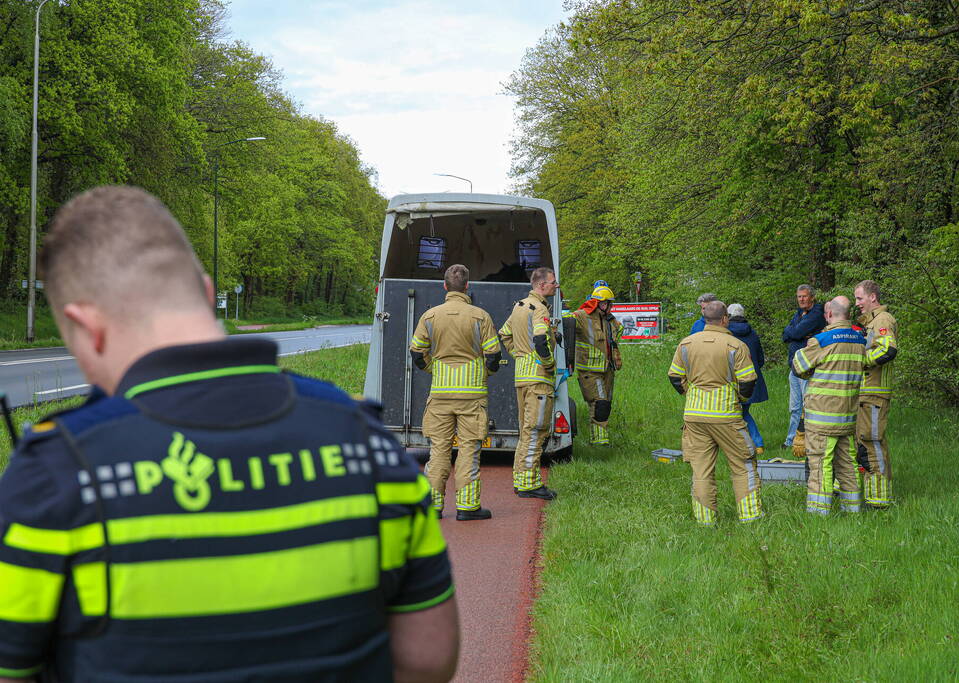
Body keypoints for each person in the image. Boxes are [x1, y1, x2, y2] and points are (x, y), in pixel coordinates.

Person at [0, 186, 458, 682]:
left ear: (85, 327)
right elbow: (428, 661)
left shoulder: (56, 472)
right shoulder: (367, 442)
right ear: (204, 289)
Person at [409, 264, 502, 521]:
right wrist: (483, 372)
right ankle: (468, 507)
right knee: (469, 450)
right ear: (468, 286)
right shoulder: (480, 316)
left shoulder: (430, 317)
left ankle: (432, 506)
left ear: (445, 286)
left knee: (438, 450)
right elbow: (494, 356)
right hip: (472, 396)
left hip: (439, 395)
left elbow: (416, 352)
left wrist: (433, 368)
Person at [668, 301, 763, 525]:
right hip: (727, 416)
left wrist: (690, 393)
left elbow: (674, 376)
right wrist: (739, 399)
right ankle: (751, 516)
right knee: (743, 465)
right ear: (725, 319)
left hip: (694, 415)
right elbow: (748, 381)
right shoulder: (736, 345)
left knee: (701, 470)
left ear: (705, 319)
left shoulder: (686, 343)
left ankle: (705, 521)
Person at [792, 296, 866, 515]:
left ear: (830, 314)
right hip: (848, 417)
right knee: (848, 465)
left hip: (822, 418)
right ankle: (853, 509)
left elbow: (798, 366)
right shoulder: (860, 341)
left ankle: (818, 512)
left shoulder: (822, 340)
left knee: (820, 465)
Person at [498, 267, 559, 499]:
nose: (555, 285)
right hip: (538, 380)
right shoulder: (540, 309)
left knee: (526, 431)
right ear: (541, 285)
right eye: (553, 282)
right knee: (537, 431)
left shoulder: (519, 306)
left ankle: (521, 479)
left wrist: (520, 355)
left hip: (522, 378)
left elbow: (504, 334)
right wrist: (549, 364)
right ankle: (530, 484)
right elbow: (541, 340)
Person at [854, 280, 898, 508]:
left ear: (872, 297)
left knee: (872, 443)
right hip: (866, 394)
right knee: (866, 443)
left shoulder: (882, 320)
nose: (857, 303)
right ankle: (874, 496)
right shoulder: (870, 322)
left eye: (859, 298)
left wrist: (860, 360)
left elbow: (888, 349)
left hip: (875, 393)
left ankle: (880, 501)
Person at [572, 283, 623, 445]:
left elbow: (618, 332)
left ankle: (601, 440)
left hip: (607, 369)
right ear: (597, 303)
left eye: (610, 303)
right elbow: (564, 322)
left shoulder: (609, 320)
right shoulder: (581, 316)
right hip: (589, 370)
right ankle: (598, 441)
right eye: (606, 303)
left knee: (606, 404)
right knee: (599, 403)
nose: (609, 306)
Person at [781, 284, 826, 451]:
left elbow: (796, 333)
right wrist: (794, 332)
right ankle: (791, 440)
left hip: (807, 368)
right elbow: (787, 335)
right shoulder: (800, 313)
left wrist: (795, 333)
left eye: (804, 296)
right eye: (799, 296)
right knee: (794, 406)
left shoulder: (816, 313)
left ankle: (808, 440)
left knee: (807, 406)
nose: (801, 299)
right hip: (794, 366)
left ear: (812, 297)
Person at [726, 303, 767, 454]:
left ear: (728, 316)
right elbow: (760, 359)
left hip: (734, 380)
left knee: (735, 414)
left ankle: (752, 443)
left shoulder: (727, 334)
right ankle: (756, 444)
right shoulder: (752, 333)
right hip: (751, 380)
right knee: (743, 412)